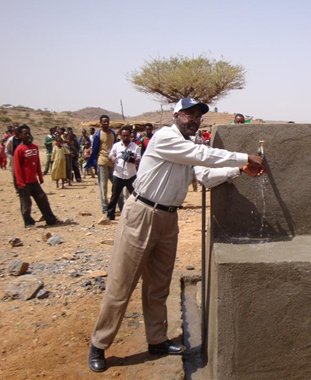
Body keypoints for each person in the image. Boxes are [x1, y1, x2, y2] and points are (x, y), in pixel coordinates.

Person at [88, 98, 265, 373]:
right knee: (122, 283)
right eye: (189, 114)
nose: (194, 120)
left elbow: (205, 175)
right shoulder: (165, 138)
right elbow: (201, 157)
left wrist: (237, 170)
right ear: (176, 115)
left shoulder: (189, 147)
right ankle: (99, 344)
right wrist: (244, 157)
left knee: (159, 284)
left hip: (168, 218)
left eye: (198, 117)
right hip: (142, 214)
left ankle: (157, 340)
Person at [13, 125, 57, 227]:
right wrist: (20, 183)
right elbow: (17, 168)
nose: (28, 135)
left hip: (34, 181)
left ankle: (50, 219)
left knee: (43, 200)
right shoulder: (19, 150)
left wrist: (40, 177)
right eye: (25, 133)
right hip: (24, 182)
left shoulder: (35, 147)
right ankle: (28, 222)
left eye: (29, 133)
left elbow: (37, 163)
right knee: (26, 203)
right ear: (20, 135)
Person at [85, 115, 119, 214]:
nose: (106, 123)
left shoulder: (112, 133)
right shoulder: (97, 135)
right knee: (103, 186)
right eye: (104, 122)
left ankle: (114, 205)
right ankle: (105, 208)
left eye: (107, 121)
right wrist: (95, 163)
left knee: (116, 185)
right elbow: (95, 150)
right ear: (100, 123)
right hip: (102, 162)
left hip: (112, 163)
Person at [105, 126, 140, 221]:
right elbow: (110, 156)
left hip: (131, 175)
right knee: (114, 196)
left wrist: (131, 159)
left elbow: (138, 160)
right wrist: (113, 159)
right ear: (120, 135)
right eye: (123, 135)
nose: (125, 137)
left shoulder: (135, 147)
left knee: (135, 196)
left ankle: (136, 215)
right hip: (118, 175)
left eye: (127, 135)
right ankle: (110, 215)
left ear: (130, 136)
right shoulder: (116, 146)